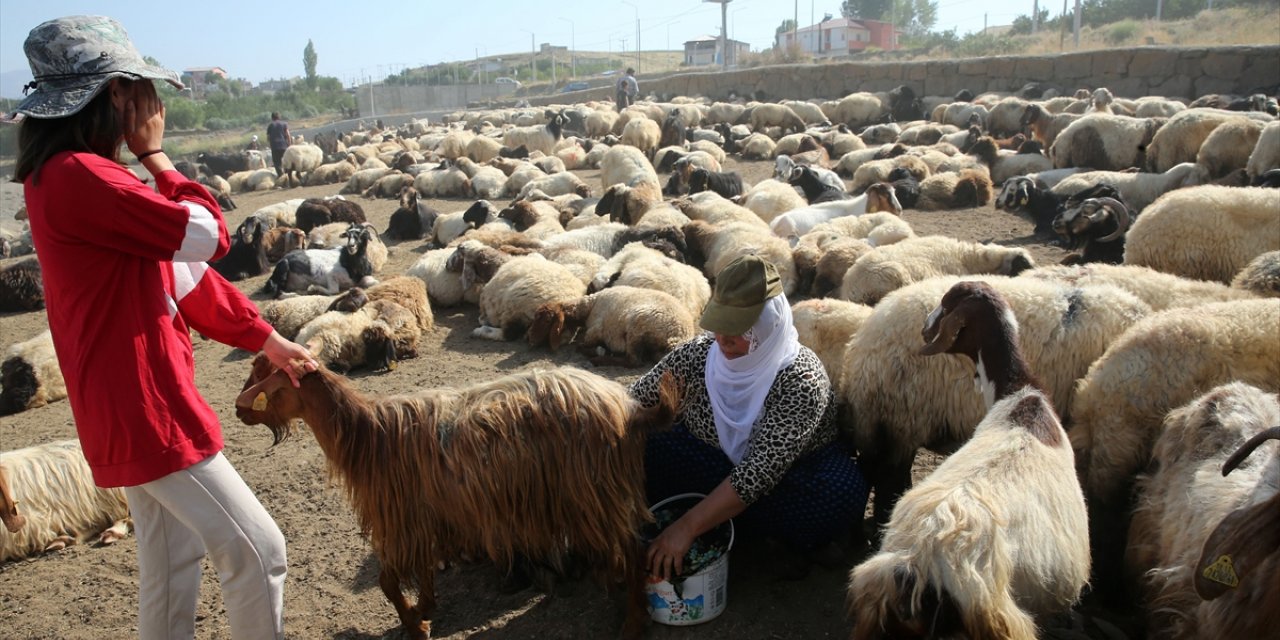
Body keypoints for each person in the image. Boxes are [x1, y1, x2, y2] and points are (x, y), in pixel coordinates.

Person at [11, 15, 318, 639]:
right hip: (149, 402)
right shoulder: (83, 177)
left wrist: (268, 339)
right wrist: (157, 154)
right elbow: (208, 239)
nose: (146, 103)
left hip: (122, 404)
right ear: (109, 96)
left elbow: (183, 278)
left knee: (173, 565)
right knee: (260, 554)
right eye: (132, 87)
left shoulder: (67, 177)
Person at [630, 255, 868, 581]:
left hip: (790, 478)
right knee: (645, 441)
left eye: (740, 329)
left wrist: (684, 528)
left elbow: (757, 474)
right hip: (711, 461)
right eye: (720, 325)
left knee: (835, 497)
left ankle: (713, 521)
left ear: (770, 324)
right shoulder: (697, 355)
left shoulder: (799, 379)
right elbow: (634, 401)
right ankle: (733, 525)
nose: (725, 339)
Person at [266, 111, 290, 176]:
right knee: (286, 162)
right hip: (284, 145)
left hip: (275, 147)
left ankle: (281, 176)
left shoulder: (270, 125)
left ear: (272, 118)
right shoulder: (284, 124)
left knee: (277, 163)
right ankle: (288, 176)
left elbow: (268, 137)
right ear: (279, 117)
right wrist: (289, 144)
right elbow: (288, 134)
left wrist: (270, 145)